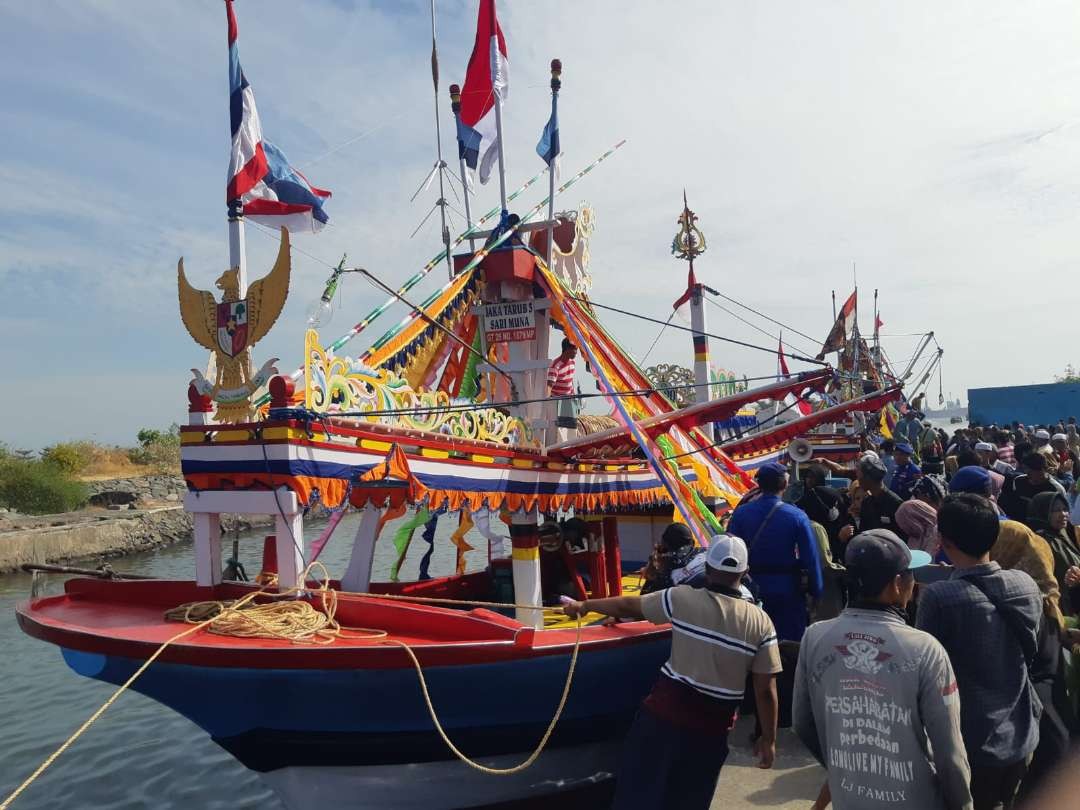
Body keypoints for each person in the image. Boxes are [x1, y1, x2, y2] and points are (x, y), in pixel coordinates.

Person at [562, 535, 781, 810]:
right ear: (745, 573)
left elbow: (629, 606)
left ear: (708, 570)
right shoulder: (762, 624)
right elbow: (765, 690)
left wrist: (584, 606)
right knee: (690, 799)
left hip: (662, 719)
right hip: (711, 731)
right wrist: (769, 740)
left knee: (637, 796)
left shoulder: (680, 598)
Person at [794, 530, 972, 810]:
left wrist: (843, 766)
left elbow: (803, 724)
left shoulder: (815, 637)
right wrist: (963, 804)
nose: (914, 584)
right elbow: (949, 751)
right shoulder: (924, 649)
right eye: (911, 575)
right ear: (897, 584)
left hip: (848, 796)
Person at [917, 494, 1043, 810]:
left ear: (945, 541)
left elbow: (925, 674)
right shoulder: (1025, 584)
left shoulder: (939, 596)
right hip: (1022, 734)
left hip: (969, 742)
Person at [727, 462, 824, 641]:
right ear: (785, 485)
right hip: (788, 592)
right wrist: (817, 591)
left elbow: (730, 552)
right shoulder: (797, 516)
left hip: (749, 591)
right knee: (787, 648)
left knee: (751, 643)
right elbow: (810, 559)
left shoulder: (741, 514)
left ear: (759, 485)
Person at [1026, 492, 1080, 617]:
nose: (1063, 514)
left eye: (1065, 509)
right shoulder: (1039, 542)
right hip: (1060, 610)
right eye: (1055, 510)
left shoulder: (1069, 532)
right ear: (1043, 512)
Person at [641, 523, 707, 595]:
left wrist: (652, 574)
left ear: (665, 544)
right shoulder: (705, 552)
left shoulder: (669, 572)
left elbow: (646, 599)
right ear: (692, 542)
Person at [851, 453, 904, 536]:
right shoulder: (866, 503)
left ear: (868, 477)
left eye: (859, 475)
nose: (857, 479)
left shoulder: (895, 503)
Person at [999, 453, 1063, 521]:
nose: (1027, 472)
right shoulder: (1018, 481)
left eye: (1030, 470)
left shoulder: (1056, 488)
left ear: (1042, 469)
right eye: (1025, 469)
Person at [546, 337, 578, 440]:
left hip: (569, 401)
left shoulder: (572, 363)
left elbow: (570, 381)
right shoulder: (555, 366)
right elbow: (549, 386)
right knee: (559, 431)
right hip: (557, 403)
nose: (576, 352)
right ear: (567, 349)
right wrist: (546, 404)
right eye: (574, 349)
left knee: (571, 429)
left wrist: (574, 398)